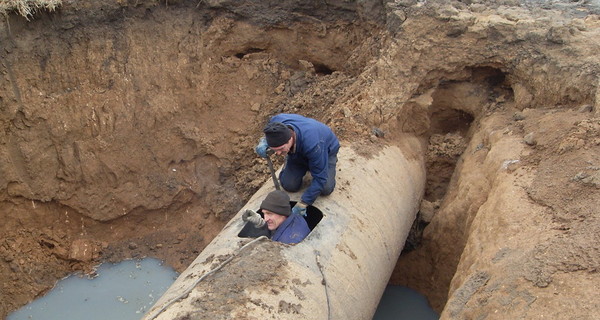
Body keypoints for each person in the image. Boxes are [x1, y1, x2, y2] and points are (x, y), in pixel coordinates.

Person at [254, 113, 340, 216]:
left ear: (290, 138)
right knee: (289, 185)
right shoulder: (277, 123)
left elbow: (320, 178)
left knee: (326, 188)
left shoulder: (314, 145)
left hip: (326, 151)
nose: (278, 154)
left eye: (281, 149)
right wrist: (264, 141)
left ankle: (326, 163)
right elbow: (270, 123)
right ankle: (300, 164)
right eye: (275, 150)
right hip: (297, 152)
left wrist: (304, 203)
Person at [242, 190, 310, 244]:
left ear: (282, 213)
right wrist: (261, 223)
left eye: (269, 213)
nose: (265, 219)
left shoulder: (286, 242)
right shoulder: (294, 218)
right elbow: (277, 231)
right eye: (264, 213)